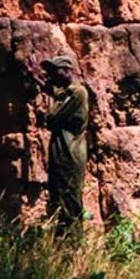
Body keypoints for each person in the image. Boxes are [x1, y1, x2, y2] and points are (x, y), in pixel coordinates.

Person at [40, 54, 89, 235]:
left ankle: (73, 244)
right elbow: (57, 93)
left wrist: (49, 103)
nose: (52, 76)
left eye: (55, 72)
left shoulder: (77, 92)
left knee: (70, 199)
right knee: (59, 197)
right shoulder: (68, 93)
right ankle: (63, 242)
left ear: (68, 72)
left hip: (70, 155)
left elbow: (52, 118)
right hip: (62, 154)